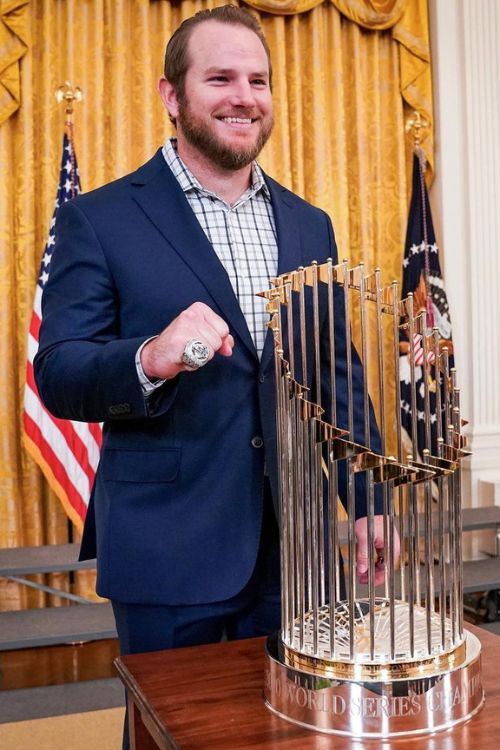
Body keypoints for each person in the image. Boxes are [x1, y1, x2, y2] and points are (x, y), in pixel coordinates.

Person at [35, 2, 397, 688]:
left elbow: (335, 376)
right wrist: (150, 357)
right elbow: (59, 371)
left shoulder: (310, 225)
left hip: (296, 547)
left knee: (293, 724)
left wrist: (369, 501)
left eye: (258, 81)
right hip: (166, 546)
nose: (244, 98)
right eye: (221, 78)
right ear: (173, 96)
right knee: (169, 730)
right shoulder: (98, 219)